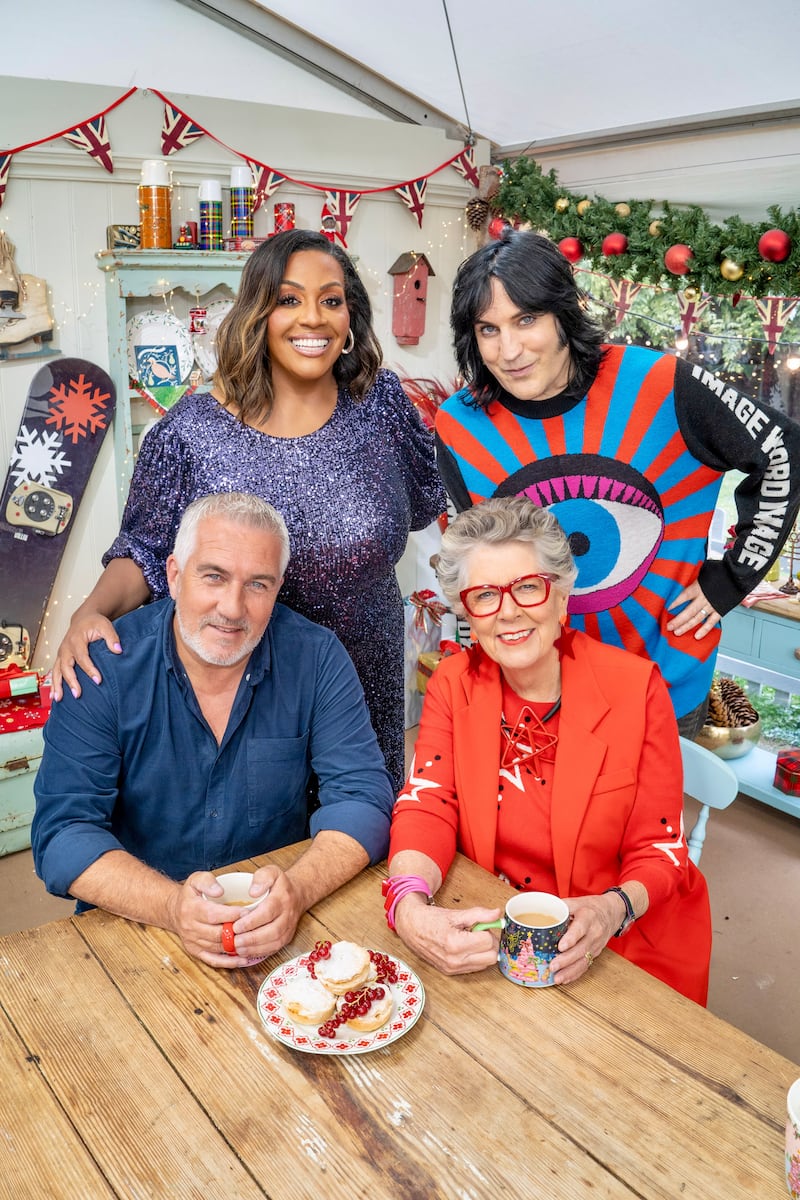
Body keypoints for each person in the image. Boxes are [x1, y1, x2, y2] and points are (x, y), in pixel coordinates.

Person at [53, 229, 445, 789]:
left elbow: (424, 511)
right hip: (237, 691)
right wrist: (89, 612)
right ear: (258, 313)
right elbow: (143, 553)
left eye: (331, 301)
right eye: (289, 300)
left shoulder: (383, 406)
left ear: (350, 317)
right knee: (251, 859)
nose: (313, 318)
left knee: (358, 839)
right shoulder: (192, 432)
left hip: (364, 689)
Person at [436, 228, 800, 738]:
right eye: (487, 328)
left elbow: (784, 449)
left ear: (562, 313)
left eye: (526, 319)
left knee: (647, 820)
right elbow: (481, 556)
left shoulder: (662, 384)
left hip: (662, 681)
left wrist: (731, 580)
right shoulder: (458, 427)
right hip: (536, 690)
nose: (509, 349)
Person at [33, 493, 395, 969]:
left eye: (258, 585)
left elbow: (364, 800)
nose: (232, 607)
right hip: (133, 927)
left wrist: (299, 890)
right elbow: (63, 832)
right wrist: (170, 906)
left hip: (274, 928)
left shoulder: (317, 657)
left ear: (278, 587)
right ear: (174, 575)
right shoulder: (102, 667)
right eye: (214, 576)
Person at [386, 496, 712, 1004]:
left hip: (614, 941)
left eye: (529, 587)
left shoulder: (636, 688)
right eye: (485, 595)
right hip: (494, 927)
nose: (509, 611)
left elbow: (662, 847)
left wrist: (612, 910)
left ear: (561, 596)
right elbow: (429, 801)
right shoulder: (454, 681)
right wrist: (408, 907)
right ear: (465, 609)